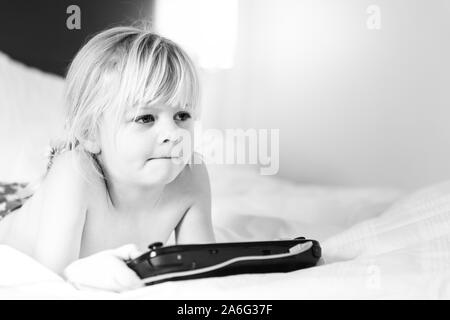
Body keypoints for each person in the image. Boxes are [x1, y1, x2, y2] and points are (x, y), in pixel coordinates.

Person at [0, 25, 215, 292]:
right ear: (90, 134)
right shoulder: (75, 174)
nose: (173, 134)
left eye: (182, 116)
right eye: (145, 118)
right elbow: (52, 284)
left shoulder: (191, 175)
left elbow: (205, 272)